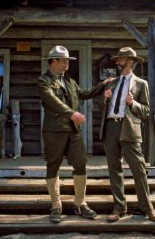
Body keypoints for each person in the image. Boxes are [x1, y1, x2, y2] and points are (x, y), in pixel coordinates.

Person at [38, 45, 112, 224]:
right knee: (53, 166)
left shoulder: (70, 82)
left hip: (73, 131)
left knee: (80, 164)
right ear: (53, 61)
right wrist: (72, 113)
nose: (67, 64)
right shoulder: (43, 81)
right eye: (64, 61)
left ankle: (80, 203)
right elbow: (52, 100)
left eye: (68, 61)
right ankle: (56, 205)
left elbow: (84, 94)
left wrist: (102, 85)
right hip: (54, 131)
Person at [100, 47, 155, 223]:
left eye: (121, 59)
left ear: (131, 61)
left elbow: (147, 111)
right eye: (117, 59)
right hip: (110, 127)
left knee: (139, 169)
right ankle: (119, 207)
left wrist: (133, 103)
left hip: (130, 129)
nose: (118, 62)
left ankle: (147, 208)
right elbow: (100, 109)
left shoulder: (141, 84)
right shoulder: (111, 83)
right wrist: (105, 98)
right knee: (114, 169)